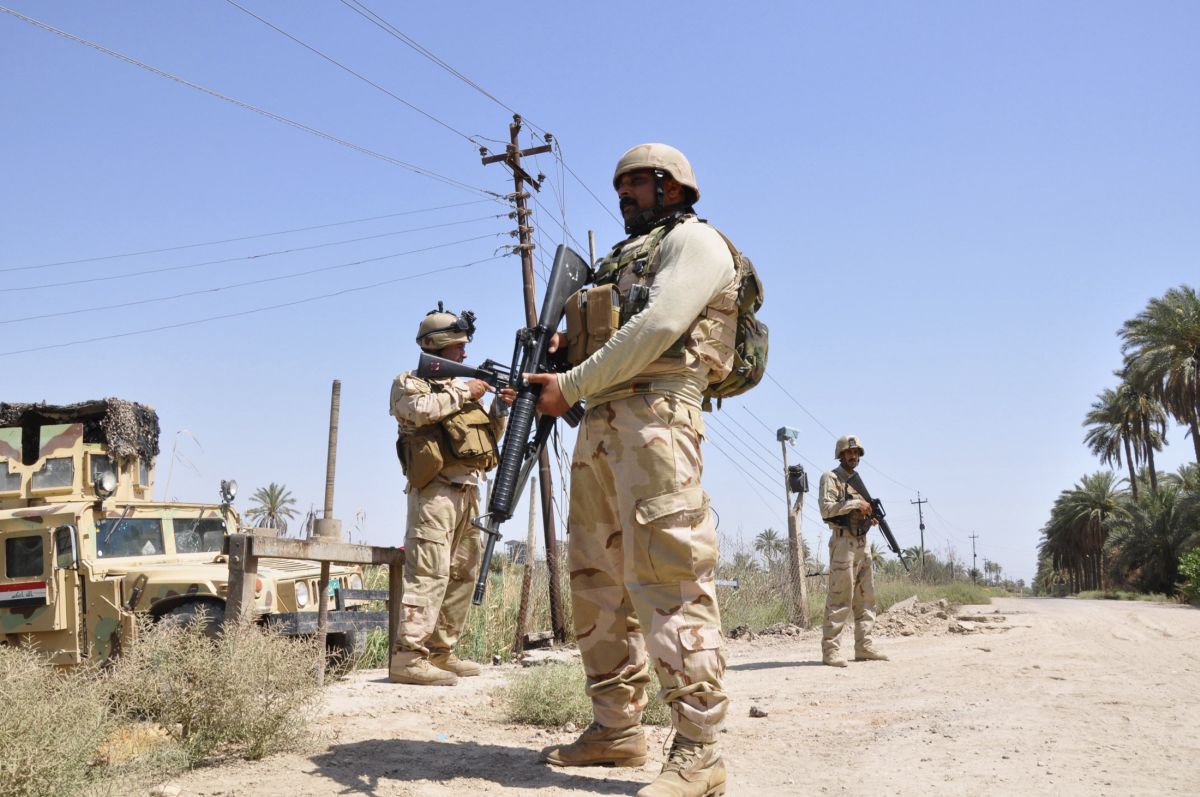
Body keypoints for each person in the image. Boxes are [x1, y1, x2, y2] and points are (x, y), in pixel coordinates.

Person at [527, 143, 736, 797]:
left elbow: (661, 323)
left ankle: (699, 752)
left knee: (669, 579)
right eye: (618, 184)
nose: (624, 194)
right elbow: (613, 327)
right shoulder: (619, 262)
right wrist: (566, 348)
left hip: (657, 417)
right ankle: (616, 729)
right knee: (596, 580)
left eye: (636, 183)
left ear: (673, 187)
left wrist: (572, 380)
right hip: (601, 421)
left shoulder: (696, 243)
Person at [388, 304, 512, 686]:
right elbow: (418, 411)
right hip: (435, 493)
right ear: (437, 347)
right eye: (458, 345)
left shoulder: (462, 390)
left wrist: (500, 409)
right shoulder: (413, 382)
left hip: (469, 491)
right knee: (429, 571)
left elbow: (482, 440)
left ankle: (441, 652)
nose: (465, 353)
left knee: (462, 573)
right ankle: (408, 657)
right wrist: (463, 390)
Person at [818, 434, 889, 667]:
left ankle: (864, 647)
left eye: (857, 453)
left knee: (866, 597)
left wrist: (868, 518)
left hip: (862, 544)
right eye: (849, 452)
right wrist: (856, 504)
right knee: (840, 598)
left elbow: (858, 515)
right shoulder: (831, 478)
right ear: (841, 455)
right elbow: (827, 509)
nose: (853, 456)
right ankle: (831, 651)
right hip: (843, 545)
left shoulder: (858, 482)